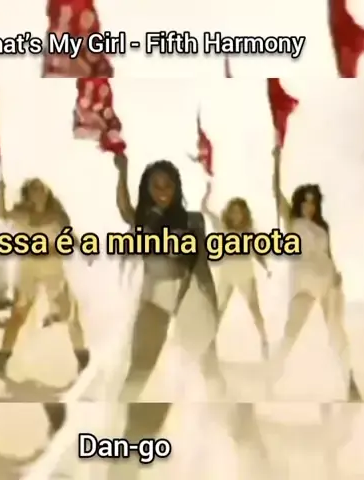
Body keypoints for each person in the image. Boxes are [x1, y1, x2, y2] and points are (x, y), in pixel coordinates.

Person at [108, 152, 229, 479]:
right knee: (139, 372)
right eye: (155, 185)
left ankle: (234, 436)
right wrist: (122, 170)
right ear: (147, 189)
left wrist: (209, 306)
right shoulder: (143, 221)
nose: (162, 190)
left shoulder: (192, 221)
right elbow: (124, 208)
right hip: (153, 301)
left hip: (187, 299)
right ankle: (124, 441)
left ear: (177, 187)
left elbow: (201, 265)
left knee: (207, 370)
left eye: (167, 185)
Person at [269, 149, 361, 401]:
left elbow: (328, 253)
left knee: (336, 330)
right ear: (299, 202)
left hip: (327, 279)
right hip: (302, 281)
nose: (309, 207)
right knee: (291, 331)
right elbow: (275, 191)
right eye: (305, 202)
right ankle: (270, 378)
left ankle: (350, 382)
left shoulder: (322, 226)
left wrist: (337, 272)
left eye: (313, 202)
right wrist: (276, 160)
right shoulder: (292, 221)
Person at [0, 178, 91, 381]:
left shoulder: (56, 215)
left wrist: (83, 249)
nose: (38, 192)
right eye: (34, 189)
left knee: (70, 314)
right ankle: (2, 360)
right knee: (18, 316)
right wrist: (1, 191)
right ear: (28, 194)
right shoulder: (21, 213)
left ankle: (83, 360)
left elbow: (70, 234)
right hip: (28, 267)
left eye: (41, 189)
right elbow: (1, 213)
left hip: (52, 266)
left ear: (47, 192)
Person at [201, 181, 272, 359]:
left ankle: (264, 341)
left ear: (244, 214)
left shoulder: (249, 232)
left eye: (239, 212)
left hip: (245, 274)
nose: (236, 215)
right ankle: (209, 345)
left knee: (254, 308)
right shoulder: (222, 228)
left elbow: (258, 253)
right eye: (233, 212)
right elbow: (205, 210)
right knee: (218, 310)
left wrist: (266, 267)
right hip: (227, 274)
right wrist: (207, 193)